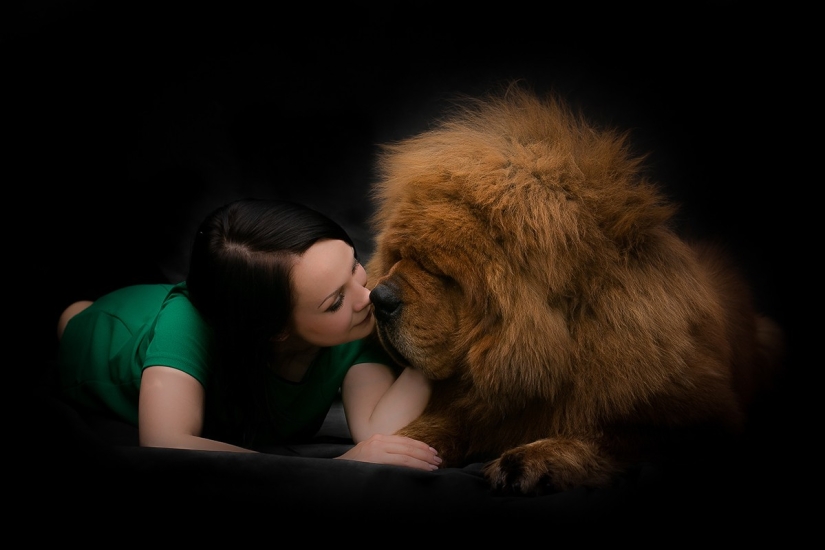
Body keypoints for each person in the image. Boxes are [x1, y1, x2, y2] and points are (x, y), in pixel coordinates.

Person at [55, 197, 440, 471]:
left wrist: (440, 338)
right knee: (73, 317)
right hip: (105, 335)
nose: (368, 294)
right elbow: (167, 440)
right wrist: (335, 466)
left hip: (209, 307)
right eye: (335, 300)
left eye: (354, 264)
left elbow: (378, 428)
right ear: (274, 330)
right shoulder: (186, 324)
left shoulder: (354, 324)